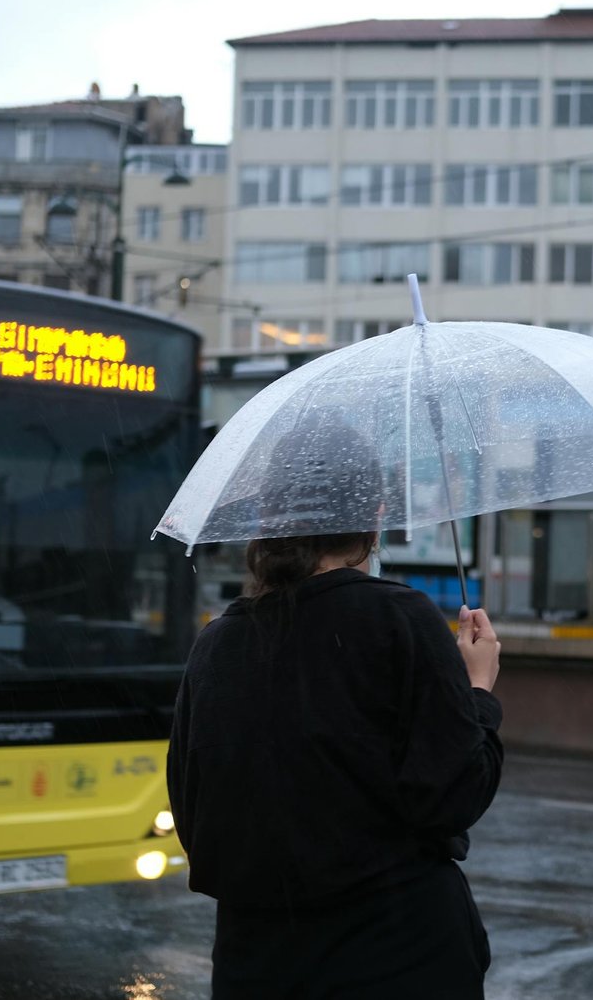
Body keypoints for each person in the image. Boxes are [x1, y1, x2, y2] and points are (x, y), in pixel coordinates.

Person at [167, 423, 504, 998]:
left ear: (268, 519)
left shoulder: (216, 644)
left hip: (260, 965)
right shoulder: (402, 619)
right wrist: (478, 691)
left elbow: (196, 818)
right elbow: (454, 795)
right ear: (373, 517)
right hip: (403, 958)